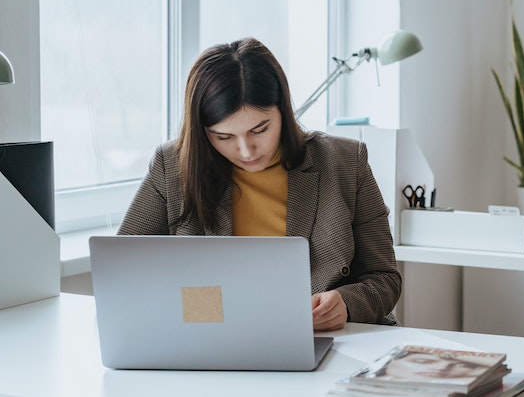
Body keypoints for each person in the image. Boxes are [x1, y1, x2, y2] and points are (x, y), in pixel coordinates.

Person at [118, 38, 402, 331]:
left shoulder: (344, 161)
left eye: (260, 129)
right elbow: (123, 271)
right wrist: (219, 314)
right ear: (202, 132)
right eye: (223, 137)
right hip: (213, 339)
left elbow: (384, 279)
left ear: (283, 110)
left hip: (330, 340)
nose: (246, 151)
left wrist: (345, 302)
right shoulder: (172, 166)